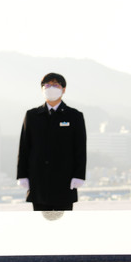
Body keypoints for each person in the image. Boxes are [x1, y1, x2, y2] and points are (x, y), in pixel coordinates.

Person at [17, 73, 87, 211]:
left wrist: (79, 175)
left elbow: (80, 149)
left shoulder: (74, 116)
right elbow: (24, 147)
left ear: (63, 89)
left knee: (63, 219)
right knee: (40, 220)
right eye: (47, 85)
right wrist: (22, 175)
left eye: (55, 85)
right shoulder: (32, 115)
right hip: (38, 177)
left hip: (65, 178)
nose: (51, 88)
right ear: (42, 89)